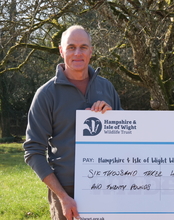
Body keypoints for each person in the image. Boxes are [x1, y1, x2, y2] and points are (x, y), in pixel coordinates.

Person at [23, 25, 122, 220]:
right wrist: (62, 196)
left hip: (108, 185)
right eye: (71, 47)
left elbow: (128, 139)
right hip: (67, 194)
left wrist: (113, 118)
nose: (77, 53)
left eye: (83, 47)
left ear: (91, 52)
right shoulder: (46, 94)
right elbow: (33, 151)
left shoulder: (107, 88)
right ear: (61, 51)